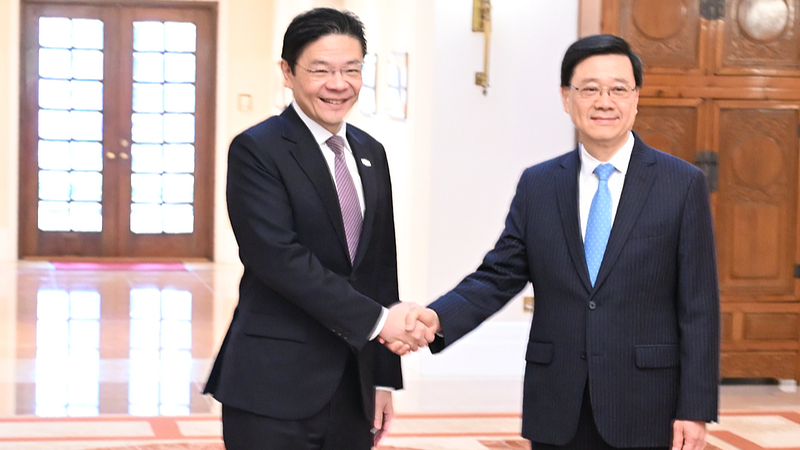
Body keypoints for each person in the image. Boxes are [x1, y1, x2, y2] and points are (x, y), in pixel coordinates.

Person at [404, 34, 720, 450]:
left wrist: (695, 408)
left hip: (645, 403)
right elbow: (499, 275)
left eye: (618, 89)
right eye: (589, 89)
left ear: (636, 98)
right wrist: (438, 317)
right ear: (566, 98)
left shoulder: (681, 184)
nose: (604, 102)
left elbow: (699, 306)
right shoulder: (538, 184)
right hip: (557, 403)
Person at [203, 8, 430, 450]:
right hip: (273, 383)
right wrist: (381, 322)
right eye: (320, 70)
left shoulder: (370, 152)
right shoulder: (257, 149)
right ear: (288, 73)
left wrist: (384, 379)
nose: (338, 84)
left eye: (351, 70)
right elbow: (277, 258)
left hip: (353, 385)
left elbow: (380, 268)